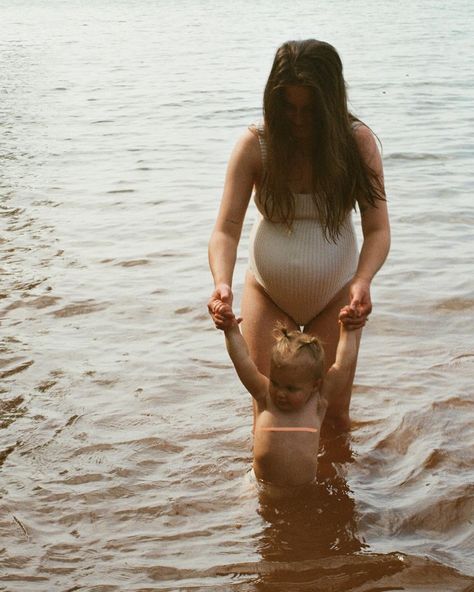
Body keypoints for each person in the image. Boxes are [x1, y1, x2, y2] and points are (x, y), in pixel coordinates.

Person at [208, 39, 390, 431]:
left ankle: (336, 492)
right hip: (267, 292)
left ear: (330, 103)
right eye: (287, 107)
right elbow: (226, 228)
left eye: (309, 110)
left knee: (334, 415)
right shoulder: (256, 144)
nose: (297, 119)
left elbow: (378, 229)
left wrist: (362, 281)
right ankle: (265, 490)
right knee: (270, 412)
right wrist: (221, 283)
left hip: (336, 293)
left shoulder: (356, 144)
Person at [211, 298, 359, 491]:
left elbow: (342, 366)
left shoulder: (317, 403)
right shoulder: (265, 396)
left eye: (291, 389)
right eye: (276, 383)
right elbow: (243, 362)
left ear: (315, 385)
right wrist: (230, 331)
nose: (280, 393)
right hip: (258, 484)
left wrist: (348, 331)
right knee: (243, 518)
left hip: (304, 488)